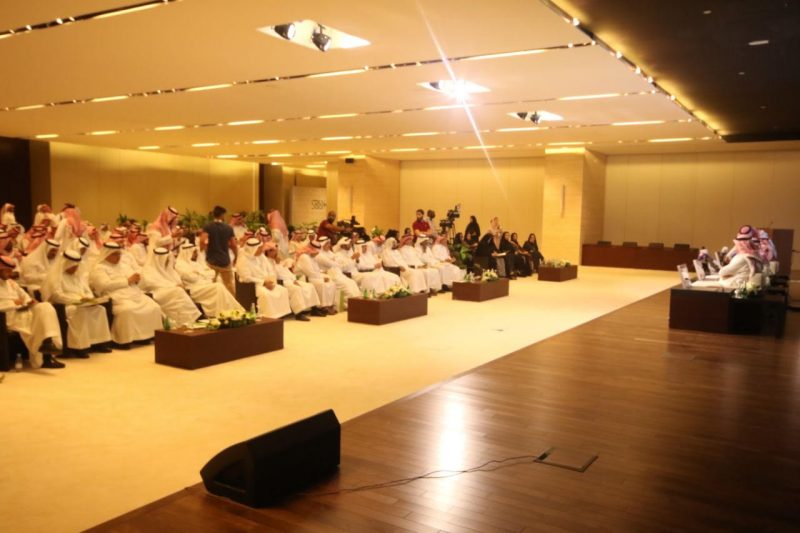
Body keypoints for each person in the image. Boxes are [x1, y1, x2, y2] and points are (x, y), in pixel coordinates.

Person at [89, 242, 163, 347]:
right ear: (107, 254)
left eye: (119, 254)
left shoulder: (123, 266)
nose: (118, 257)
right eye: (115, 254)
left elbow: (134, 279)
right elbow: (103, 285)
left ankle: (146, 336)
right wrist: (127, 281)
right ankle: (124, 340)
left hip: (134, 294)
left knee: (154, 307)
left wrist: (137, 279)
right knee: (127, 310)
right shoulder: (99, 268)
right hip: (115, 296)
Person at [42, 250, 112, 357]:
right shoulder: (56, 277)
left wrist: (89, 299)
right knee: (80, 312)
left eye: (77, 266)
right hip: (67, 306)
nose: (76, 268)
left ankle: (99, 343)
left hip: (82, 303)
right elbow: (57, 296)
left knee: (100, 310)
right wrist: (76, 301)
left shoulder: (77, 276)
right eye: (73, 266)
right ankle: (80, 347)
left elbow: (87, 291)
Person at [0, 255, 64, 369]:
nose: (10, 274)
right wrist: (14, 303)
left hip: (23, 312)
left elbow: (25, 296)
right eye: (7, 271)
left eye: (10, 270)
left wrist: (29, 302)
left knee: (45, 306)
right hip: (8, 316)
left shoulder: (11, 283)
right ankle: (46, 357)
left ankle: (48, 343)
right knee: (40, 323)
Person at [175, 242, 243, 318]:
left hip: (204, 285)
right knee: (217, 286)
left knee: (219, 286)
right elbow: (191, 278)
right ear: (187, 252)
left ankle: (231, 312)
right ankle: (225, 313)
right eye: (193, 252)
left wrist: (198, 273)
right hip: (193, 289)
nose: (195, 254)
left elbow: (212, 273)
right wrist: (202, 274)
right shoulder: (179, 265)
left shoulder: (194, 263)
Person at [139, 247, 202, 328]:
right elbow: (151, 284)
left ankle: (187, 321)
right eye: (165, 259)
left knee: (178, 292)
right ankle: (188, 320)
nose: (167, 261)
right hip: (156, 294)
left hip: (170, 291)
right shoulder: (148, 270)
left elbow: (177, 279)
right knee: (178, 291)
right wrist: (173, 286)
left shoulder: (167, 268)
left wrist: (179, 284)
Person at [235, 238, 293, 319]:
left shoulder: (261, 256)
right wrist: (263, 282)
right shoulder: (243, 260)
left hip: (268, 282)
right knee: (266, 294)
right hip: (254, 285)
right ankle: (268, 316)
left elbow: (270, 270)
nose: (261, 250)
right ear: (253, 249)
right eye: (259, 248)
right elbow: (246, 278)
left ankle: (280, 315)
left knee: (283, 290)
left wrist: (271, 281)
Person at [263, 243, 321, 319]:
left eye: (276, 250)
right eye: (274, 251)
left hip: (290, 280)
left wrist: (293, 279)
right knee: (296, 289)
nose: (276, 252)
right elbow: (276, 275)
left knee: (310, 286)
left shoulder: (277, 261)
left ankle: (314, 309)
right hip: (282, 282)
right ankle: (298, 313)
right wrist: (277, 264)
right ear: (268, 252)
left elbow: (286, 271)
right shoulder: (266, 261)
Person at [201, 206, 238, 295]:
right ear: (222, 215)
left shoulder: (208, 227)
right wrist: (236, 257)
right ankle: (233, 302)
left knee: (211, 285)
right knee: (229, 285)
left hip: (211, 260)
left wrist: (204, 250)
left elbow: (202, 241)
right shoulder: (228, 228)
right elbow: (233, 245)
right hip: (224, 261)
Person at [295, 240, 338, 313]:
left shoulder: (312, 257)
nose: (317, 254)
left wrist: (323, 277)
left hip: (314, 277)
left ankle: (329, 305)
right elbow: (310, 272)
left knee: (331, 282)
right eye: (316, 252)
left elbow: (317, 270)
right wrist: (322, 278)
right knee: (322, 284)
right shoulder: (304, 257)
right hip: (305, 278)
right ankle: (322, 306)